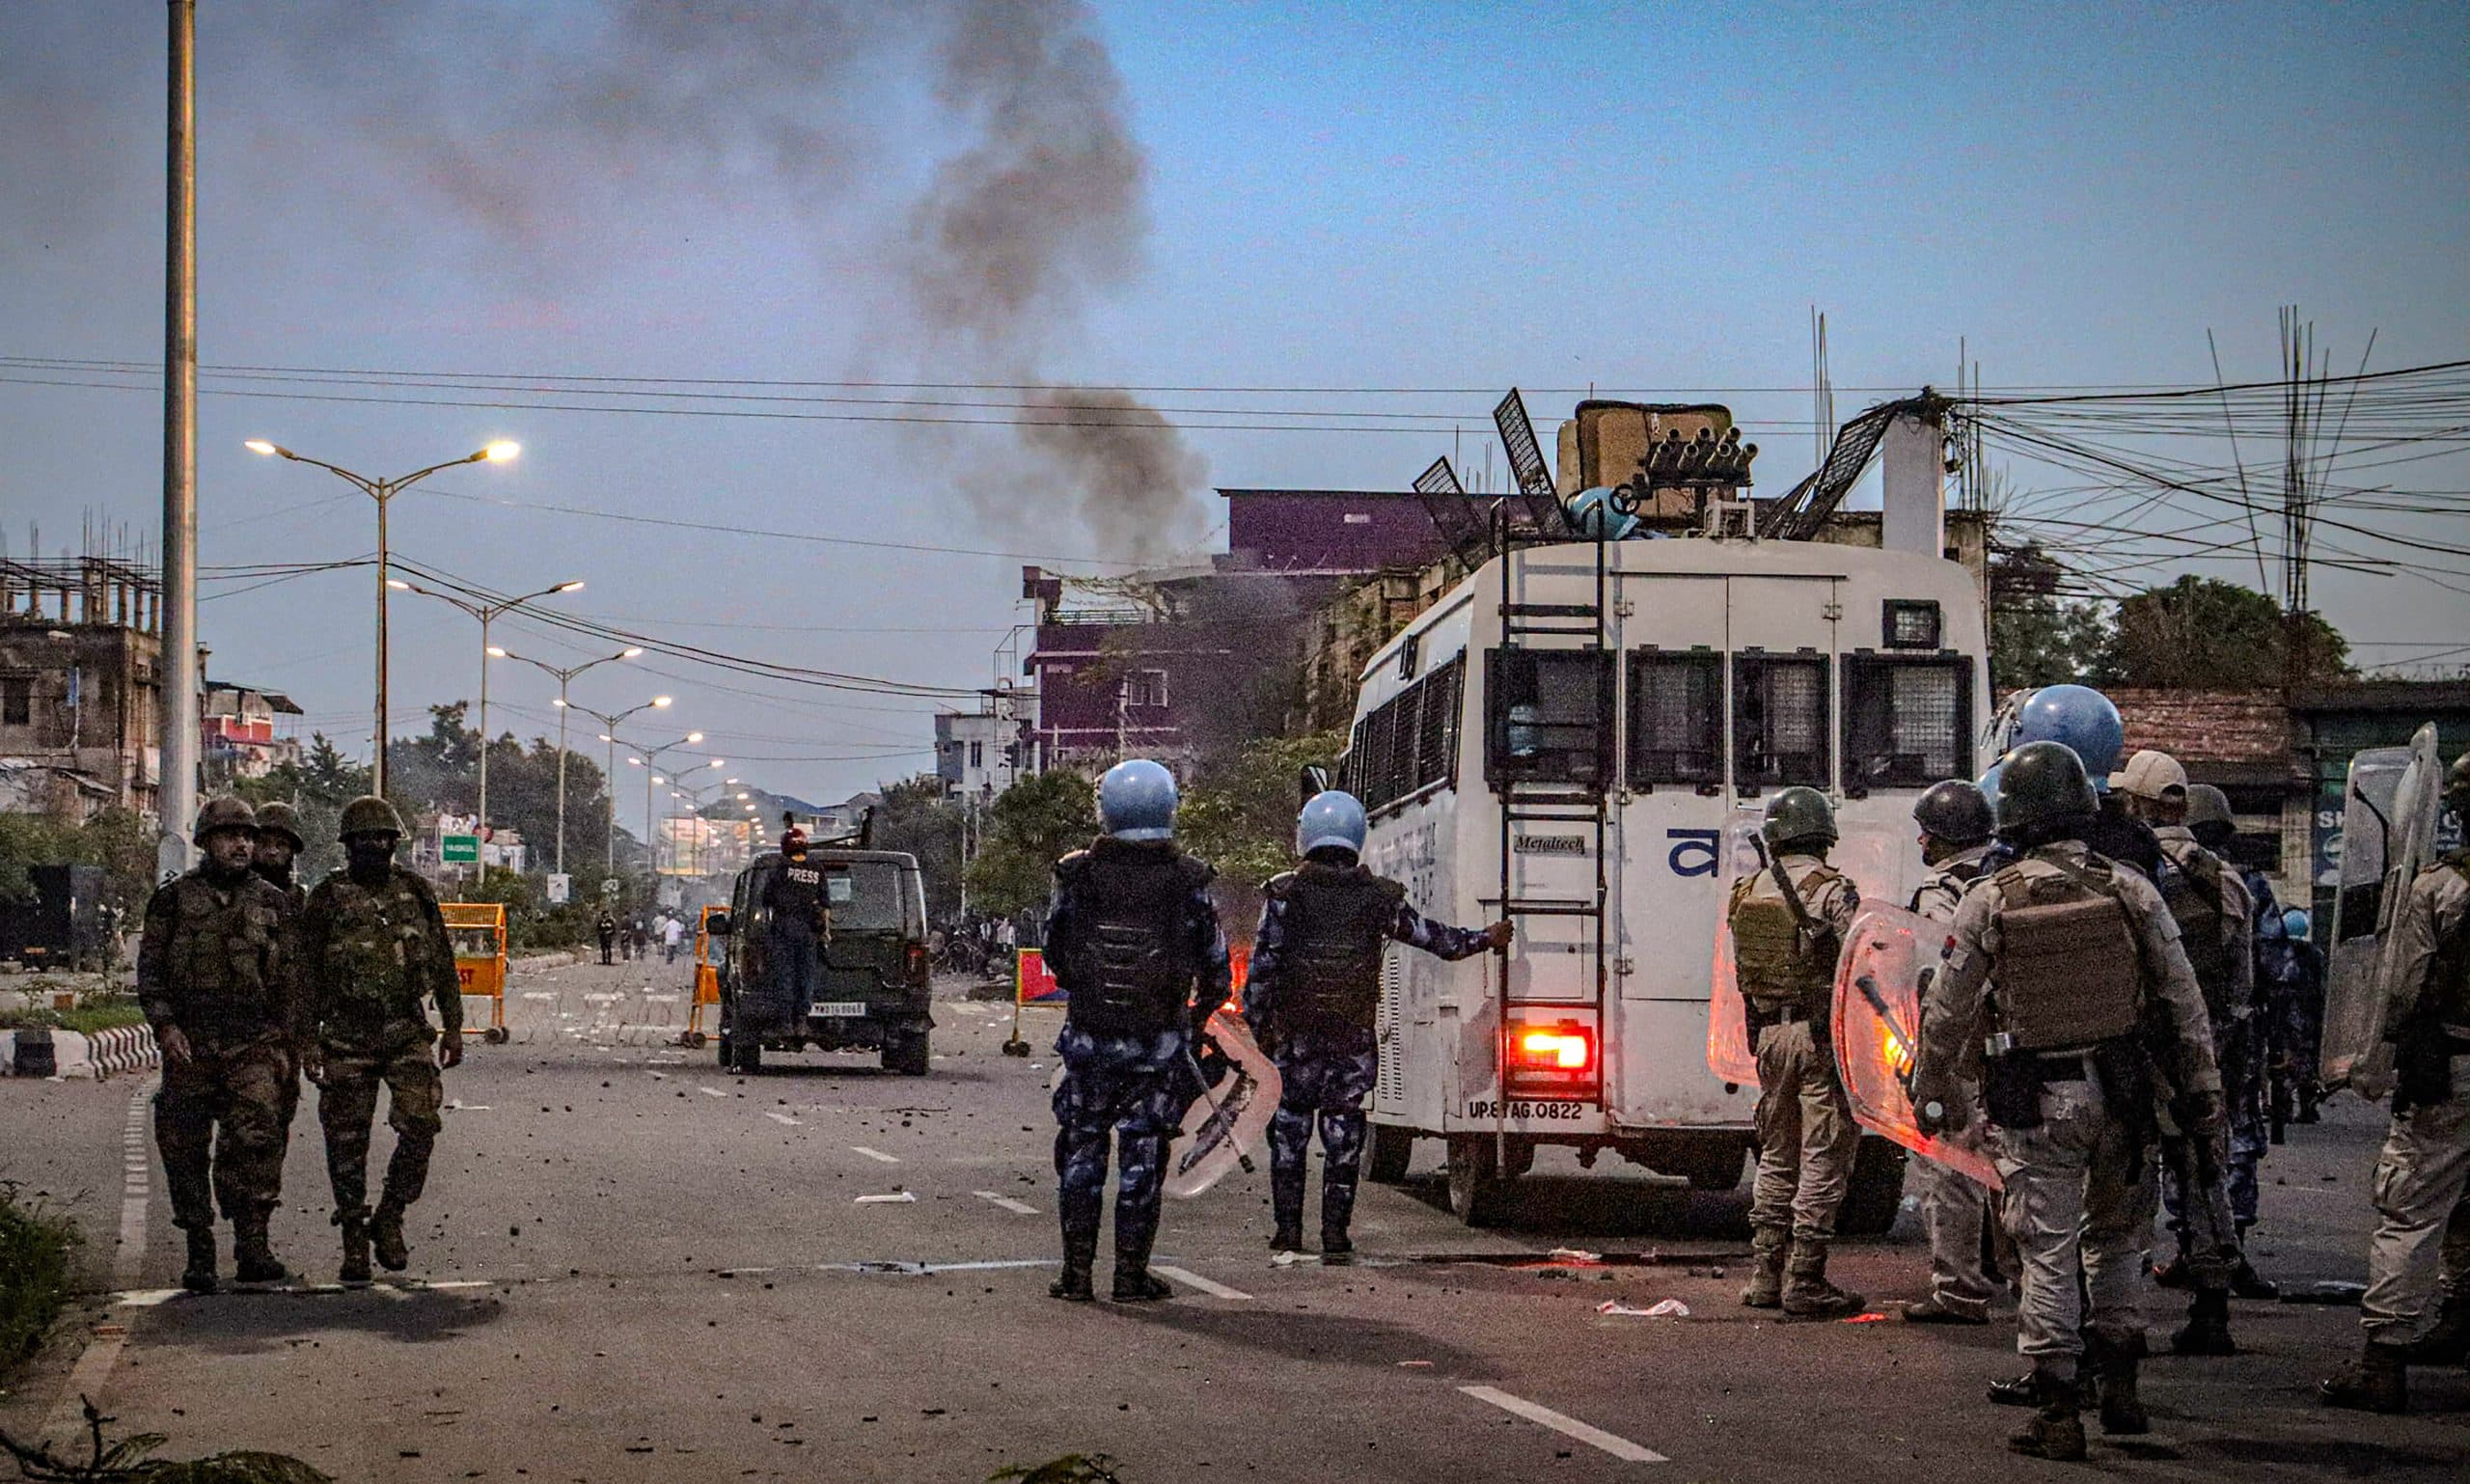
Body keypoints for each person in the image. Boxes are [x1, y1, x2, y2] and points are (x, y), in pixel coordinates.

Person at [1910, 742, 2222, 1460]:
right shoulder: (2130, 887)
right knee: (2119, 1241)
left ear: (2014, 815)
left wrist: (1929, 1091)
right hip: (2125, 1092)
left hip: (2036, 1099)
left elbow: (1949, 1011)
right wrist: (2202, 1090)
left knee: (2047, 1250)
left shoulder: (1992, 896)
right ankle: (2121, 1393)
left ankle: (2057, 1412)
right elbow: (2183, 1000)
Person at [1243, 790, 1509, 1261]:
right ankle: (1335, 1236)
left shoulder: (1283, 895)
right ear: (1357, 837)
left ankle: (1287, 1233)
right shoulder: (1378, 898)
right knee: (1344, 1140)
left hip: (1296, 1044)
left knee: (1289, 1141)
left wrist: (1264, 1036)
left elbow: (1261, 974)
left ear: (1305, 834)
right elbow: (1435, 940)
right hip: (1351, 1042)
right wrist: (1485, 939)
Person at [1044, 758, 1229, 1303]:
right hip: (1157, 1046)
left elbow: (1055, 949)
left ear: (1106, 810)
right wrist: (1194, 1020)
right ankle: (1130, 1275)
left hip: (1089, 1042)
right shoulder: (1189, 880)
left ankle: (1076, 1275)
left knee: (1081, 1154)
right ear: (1170, 808)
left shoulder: (1076, 874)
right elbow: (1216, 966)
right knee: (1143, 1158)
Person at [2320, 750, 2470, 1414]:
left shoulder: (2439, 888)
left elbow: (2402, 991)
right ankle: (2459, 1319)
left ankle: (2384, 1361)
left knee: (2410, 1208)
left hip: (2451, 1070)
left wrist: (2372, 1064)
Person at [2112, 750, 2256, 1353]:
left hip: (2145, 1045)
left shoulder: (2128, 872)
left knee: (2129, 1177)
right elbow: (2242, 975)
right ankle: (2212, 1311)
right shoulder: (2225, 877)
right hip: (2208, 1042)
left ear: (2141, 805)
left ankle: (2120, 1321)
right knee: (2205, 1173)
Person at [139, 796, 300, 1293]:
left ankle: (253, 1244)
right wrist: (166, 1027)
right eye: (232, 836)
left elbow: (293, 979)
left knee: (255, 1137)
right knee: (183, 1143)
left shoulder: (273, 902)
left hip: (253, 1042)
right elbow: (151, 970)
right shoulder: (174, 899)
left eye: (249, 837)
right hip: (193, 1041)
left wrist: (290, 1044)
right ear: (207, 842)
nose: (243, 845)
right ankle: (199, 1245)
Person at [299, 796, 462, 1284]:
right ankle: (353, 1237)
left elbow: (442, 959)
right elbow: (305, 972)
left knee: (420, 1124)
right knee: (346, 1142)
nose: (374, 846)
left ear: (395, 843)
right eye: (364, 839)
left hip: (404, 1030)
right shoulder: (327, 897)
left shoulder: (416, 892)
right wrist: (308, 1039)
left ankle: (390, 1214)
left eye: (383, 838)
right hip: (346, 1033)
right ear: (348, 845)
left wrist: (453, 1024)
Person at [1728, 785, 1865, 1318]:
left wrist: (1755, 1035)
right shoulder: (1832, 891)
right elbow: (1861, 954)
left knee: (1777, 1152)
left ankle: (1765, 1274)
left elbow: (1741, 976)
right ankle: (1805, 1278)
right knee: (1823, 1153)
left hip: (1768, 1035)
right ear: (1823, 835)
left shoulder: (1746, 891)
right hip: (1817, 1037)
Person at [1901, 779, 2000, 1327]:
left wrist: (1927, 1062)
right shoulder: (2006, 876)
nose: (1921, 843)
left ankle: (1959, 1290)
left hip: (1961, 1044)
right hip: (2013, 1043)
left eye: (1926, 834)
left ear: (1942, 838)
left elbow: (1939, 979)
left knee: (1950, 1166)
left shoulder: (1942, 891)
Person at [249, 801, 312, 1173]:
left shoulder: (299, 903)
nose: (272, 851)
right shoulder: (235, 895)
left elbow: (309, 972)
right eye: (265, 842)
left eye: (281, 844)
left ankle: (262, 1196)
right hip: (240, 1027)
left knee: (278, 1119)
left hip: (285, 1032)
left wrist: (308, 1036)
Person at [763, 827, 828, 1013]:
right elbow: (825, 904)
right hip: (809, 933)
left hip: (785, 930)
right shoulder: (816, 868)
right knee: (806, 974)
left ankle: (786, 1018)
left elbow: (766, 899)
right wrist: (825, 932)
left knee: (786, 973)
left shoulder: (780, 868)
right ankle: (802, 1016)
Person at [2282, 907, 2327, 1123]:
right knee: (2308, 1061)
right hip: (2310, 1014)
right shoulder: (2315, 954)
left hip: (2288, 1012)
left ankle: (2284, 1108)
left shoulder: (2281, 953)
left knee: (2285, 1060)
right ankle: (2309, 1106)